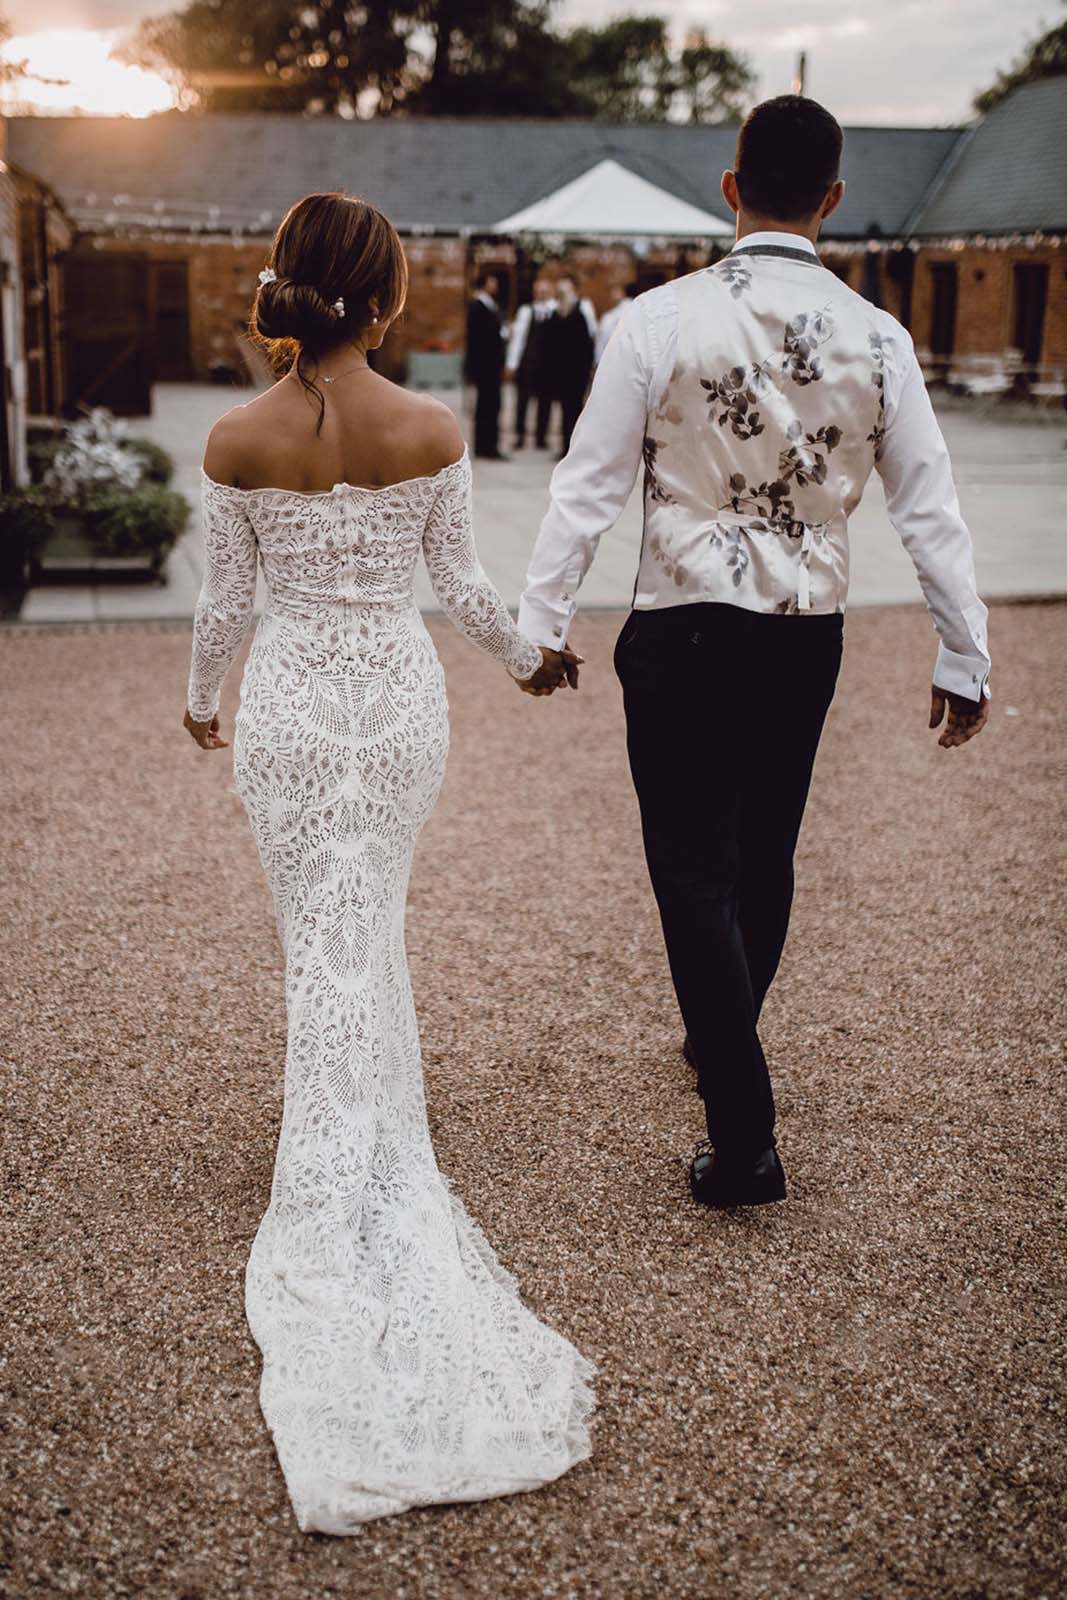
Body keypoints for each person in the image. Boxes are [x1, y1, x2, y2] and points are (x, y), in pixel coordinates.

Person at [183, 191, 589, 1535]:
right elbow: (462, 587)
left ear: (290, 285)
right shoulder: (428, 427)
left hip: (295, 709)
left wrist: (202, 701)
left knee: (322, 933)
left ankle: (336, 1146)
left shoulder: (234, 436)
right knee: (372, 926)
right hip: (397, 712)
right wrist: (531, 658)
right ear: (386, 295)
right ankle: (362, 1140)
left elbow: (225, 603)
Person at [517, 96, 991, 1210]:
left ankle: (744, 1139)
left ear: (728, 189)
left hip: (680, 626)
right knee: (762, 850)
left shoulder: (653, 320)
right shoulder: (881, 338)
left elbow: (584, 487)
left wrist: (539, 627)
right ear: (832, 199)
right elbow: (929, 509)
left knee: (691, 868)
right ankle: (720, 1027)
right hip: (801, 634)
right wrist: (961, 654)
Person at [544, 276, 596, 457]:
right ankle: (566, 446)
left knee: (575, 411)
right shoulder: (554, 316)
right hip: (561, 374)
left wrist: (588, 370)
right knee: (565, 412)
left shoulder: (579, 315)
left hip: (576, 374)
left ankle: (575, 448)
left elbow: (586, 346)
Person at [505, 275, 556, 449]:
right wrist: (512, 364)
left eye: (544, 290)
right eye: (538, 291)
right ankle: (519, 436)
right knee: (522, 402)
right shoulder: (526, 311)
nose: (541, 293)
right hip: (528, 363)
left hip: (548, 365)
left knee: (545, 402)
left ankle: (541, 438)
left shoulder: (555, 311)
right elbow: (518, 339)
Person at [464, 268, 507, 459]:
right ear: (485, 283)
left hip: (491, 366)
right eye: (493, 281)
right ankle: (487, 447)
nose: (496, 285)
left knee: (490, 405)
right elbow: (478, 339)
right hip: (486, 367)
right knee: (488, 405)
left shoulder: (489, 305)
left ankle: (487, 445)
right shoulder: (478, 306)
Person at [594, 281, 637, 365]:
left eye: (615, 290)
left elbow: (601, 343)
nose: (612, 294)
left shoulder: (609, 317)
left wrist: (597, 363)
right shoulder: (609, 316)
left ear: (622, 292)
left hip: (613, 361)